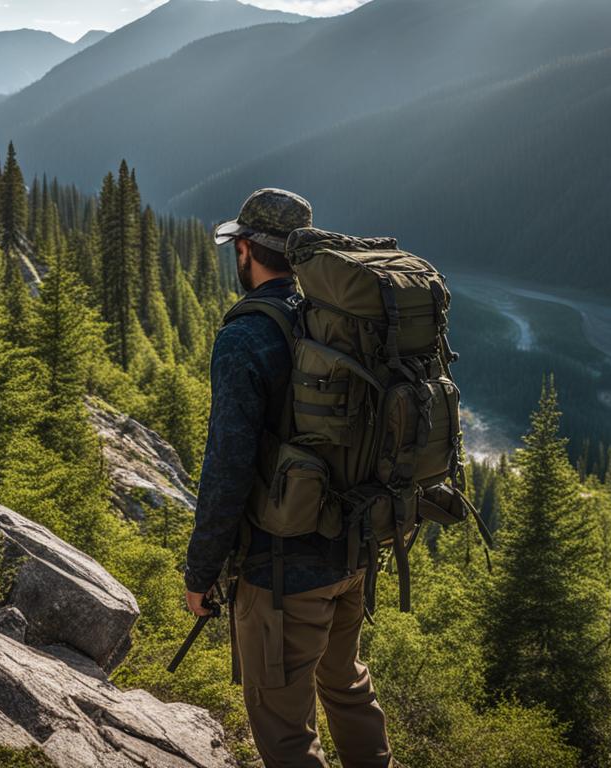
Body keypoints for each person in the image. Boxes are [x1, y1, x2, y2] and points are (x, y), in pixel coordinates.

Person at [184, 189, 395, 768]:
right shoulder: (337, 322)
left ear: (246, 249)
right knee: (348, 689)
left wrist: (200, 572)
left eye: (239, 247)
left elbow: (226, 467)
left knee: (285, 731)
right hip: (353, 554)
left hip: (281, 574)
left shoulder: (245, 337)